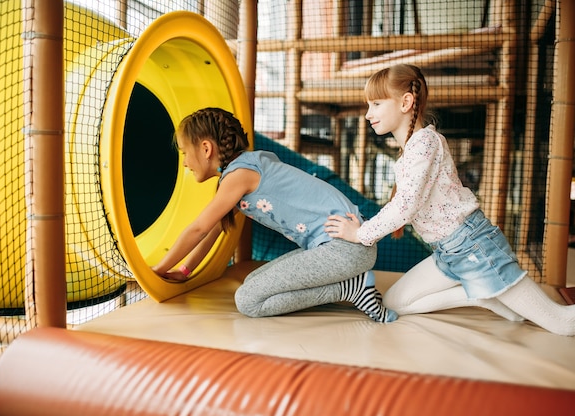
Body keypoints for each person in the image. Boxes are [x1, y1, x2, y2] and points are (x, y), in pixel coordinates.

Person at [325, 64, 575, 336]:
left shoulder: (425, 143)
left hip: (474, 247)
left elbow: (404, 206)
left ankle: (486, 290)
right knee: (397, 302)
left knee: (561, 323)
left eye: (375, 104)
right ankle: (479, 295)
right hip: (449, 252)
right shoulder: (412, 148)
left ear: (406, 102)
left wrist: (361, 234)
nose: (368, 114)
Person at [151, 107, 396, 323]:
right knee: (253, 283)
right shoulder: (246, 167)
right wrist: (184, 271)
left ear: (206, 148)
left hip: (345, 248)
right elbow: (213, 232)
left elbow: (199, 229)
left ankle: (349, 289)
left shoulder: (240, 175)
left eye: (184, 153)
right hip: (340, 247)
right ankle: (351, 286)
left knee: (248, 301)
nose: (184, 162)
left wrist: (158, 270)